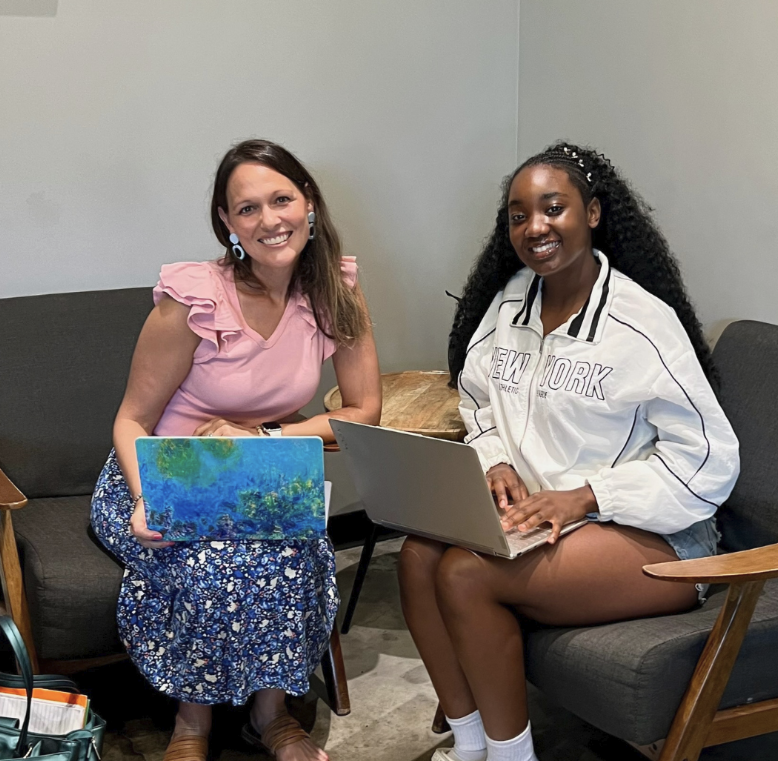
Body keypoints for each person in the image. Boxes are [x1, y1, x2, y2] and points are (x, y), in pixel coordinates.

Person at [398, 142, 739, 761]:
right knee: (418, 556)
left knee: (466, 573)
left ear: (594, 214)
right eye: (518, 215)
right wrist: (496, 459)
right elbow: (476, 401)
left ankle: (510, 757)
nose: (535, 228)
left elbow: (711, 459)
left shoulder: (641, 324)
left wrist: (587, 497)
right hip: (538, 519)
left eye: (553, 208)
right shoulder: (510, 303)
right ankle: (470, 745)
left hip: (659, 538)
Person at [91, 139, 381, 761]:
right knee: (211, 564)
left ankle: (271, 720)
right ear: (228, 224)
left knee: (294, 554)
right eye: (247, 208)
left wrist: (262, 438)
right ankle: (190, 727)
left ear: (309, 204)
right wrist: (151, 500)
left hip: (260, 471)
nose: (269, 219)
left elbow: (363, 412)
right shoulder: (193, 301)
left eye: (282, 199)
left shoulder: (337, 292)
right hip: (161, 473)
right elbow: (130, 420)